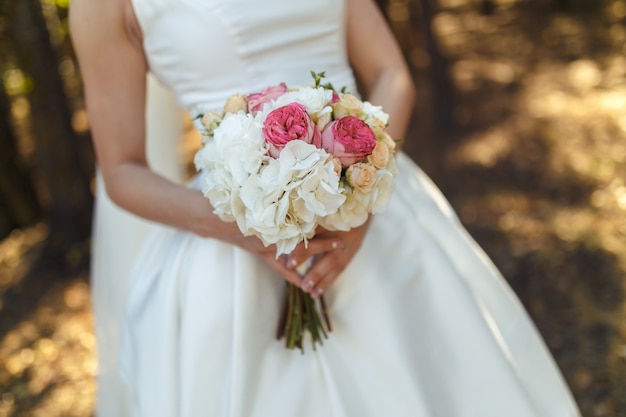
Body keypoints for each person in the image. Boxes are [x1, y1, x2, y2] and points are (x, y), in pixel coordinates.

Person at [70, 0, 582, 416]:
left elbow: (390, 73)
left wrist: (363, 197)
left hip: (380, 209)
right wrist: (243, 226)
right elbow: (121, 171)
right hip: (230, 243)